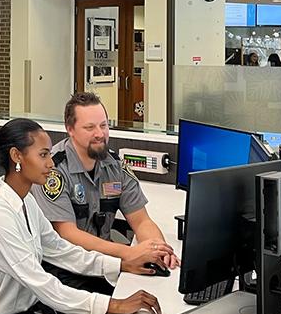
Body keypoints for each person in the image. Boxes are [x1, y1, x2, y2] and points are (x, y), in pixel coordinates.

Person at [0, 118, 164, 314]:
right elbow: (44, 285)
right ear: (17, 156)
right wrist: (113, 305)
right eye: (43, 155)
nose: (51, 163)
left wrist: (119, 265)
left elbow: (63, 251)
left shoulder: (25, 202)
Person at [33, 92, 179, 301]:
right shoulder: (53, 171)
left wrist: (158, 249)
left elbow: (141, 220)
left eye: (103, 125)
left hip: (106, 265)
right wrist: (128, 253)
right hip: (65, 272)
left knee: (155, 297)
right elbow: (67, 233)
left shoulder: (114, 165)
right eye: (89, 127)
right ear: (70, 129)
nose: (100, 133)